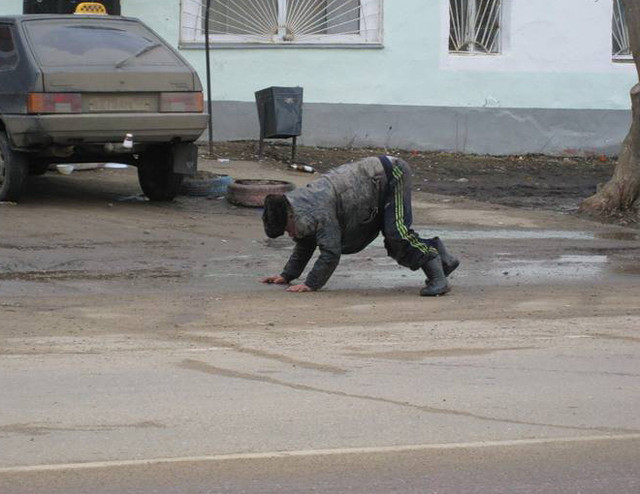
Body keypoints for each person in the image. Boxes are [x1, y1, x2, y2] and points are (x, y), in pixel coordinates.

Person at [260, 156, 459, 296]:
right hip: (375, 182)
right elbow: (306, 242)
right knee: (394, 237)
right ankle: (444, 261)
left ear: (290, 216)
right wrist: (287, 275)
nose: (290, 234)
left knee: (397, 234)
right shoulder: (299, 206)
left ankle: (438, 279)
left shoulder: (316, 209)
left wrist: (310, 284)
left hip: (392, 175)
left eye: (287, 229)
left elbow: (330, 252)